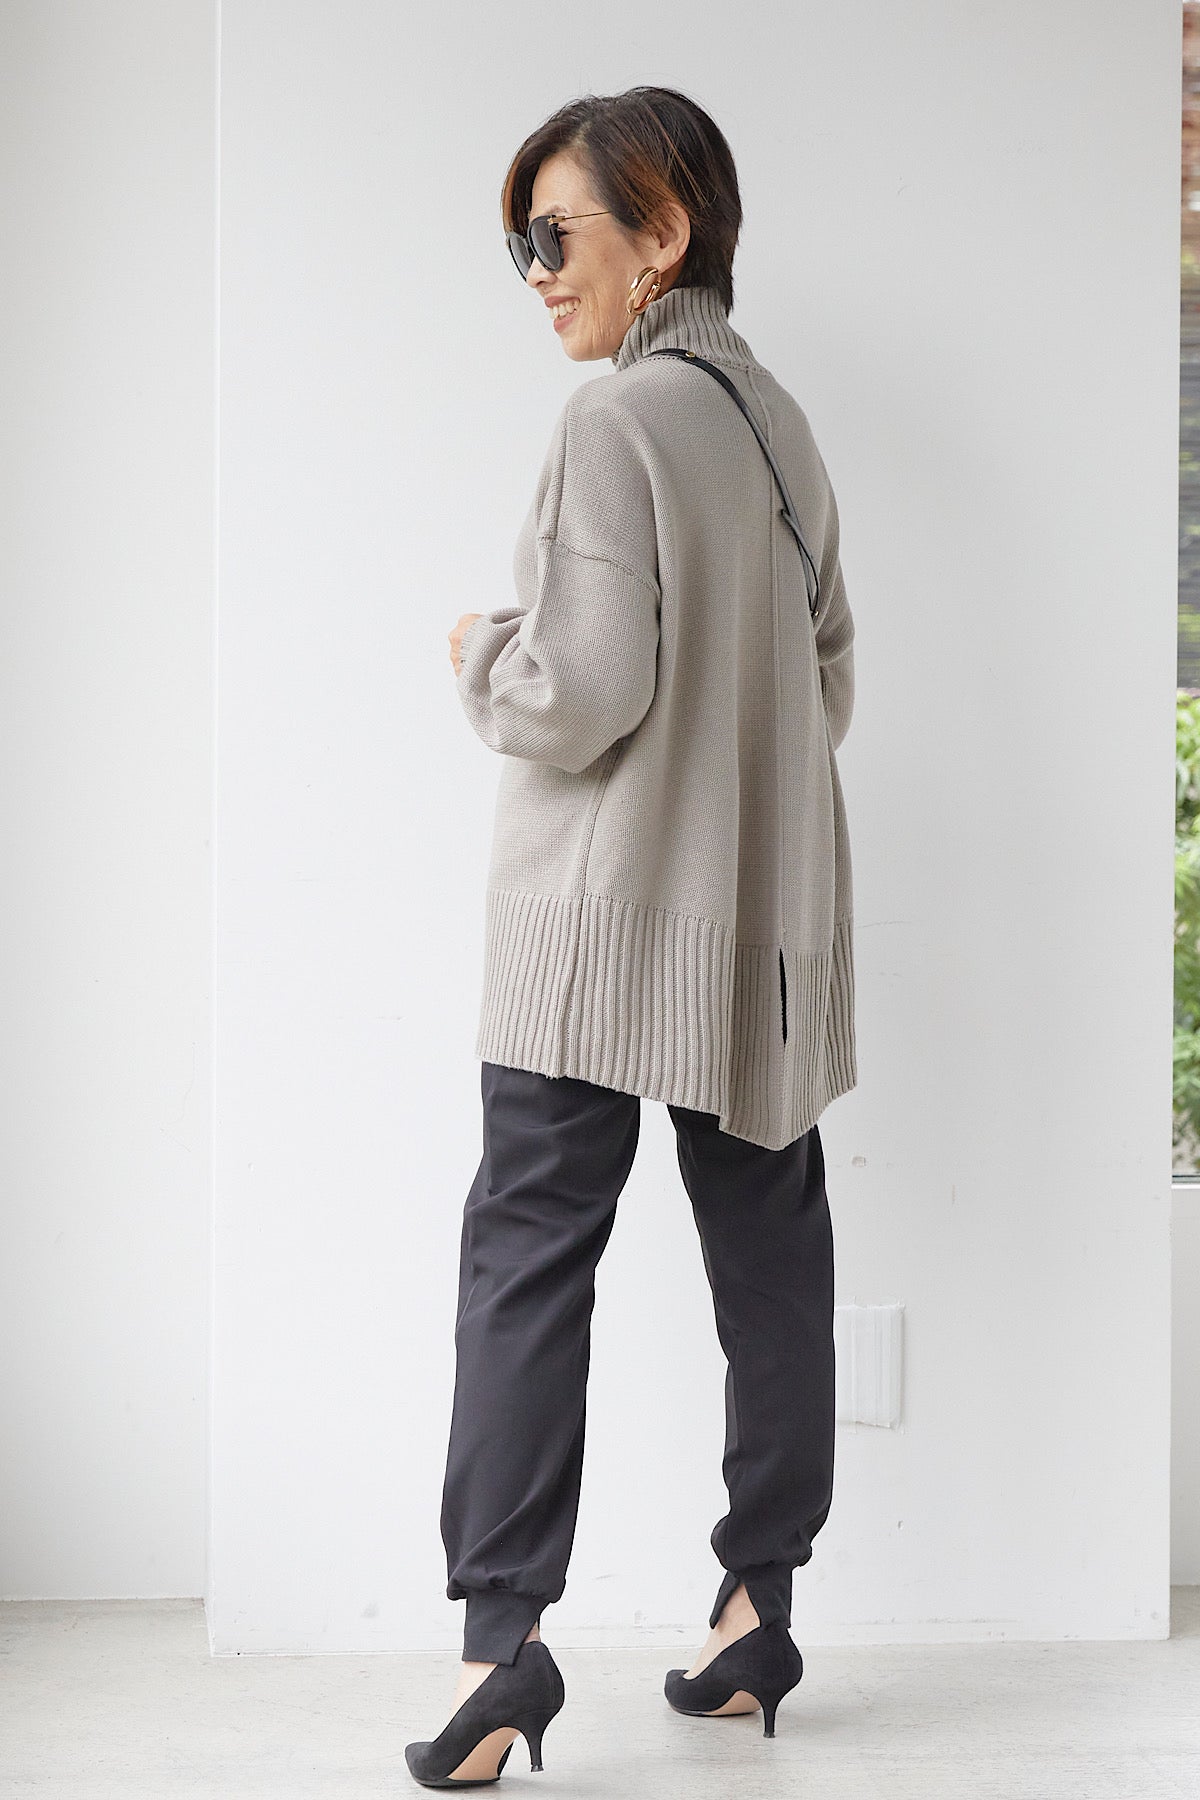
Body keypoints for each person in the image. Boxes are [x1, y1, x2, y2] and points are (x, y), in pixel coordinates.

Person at [405, 84, 856, 1788]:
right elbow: (831, 681)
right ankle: (757, 1607)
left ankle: (499, 1649)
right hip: (760, 936)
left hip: (598, 935)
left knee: (528, 1254)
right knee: (772, 1258)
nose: (536, 270)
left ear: (663, 231)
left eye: (557, 233)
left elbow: (580, 691)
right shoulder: (781, 426)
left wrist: (483, 648)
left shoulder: (614, 424)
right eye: (518, 243)